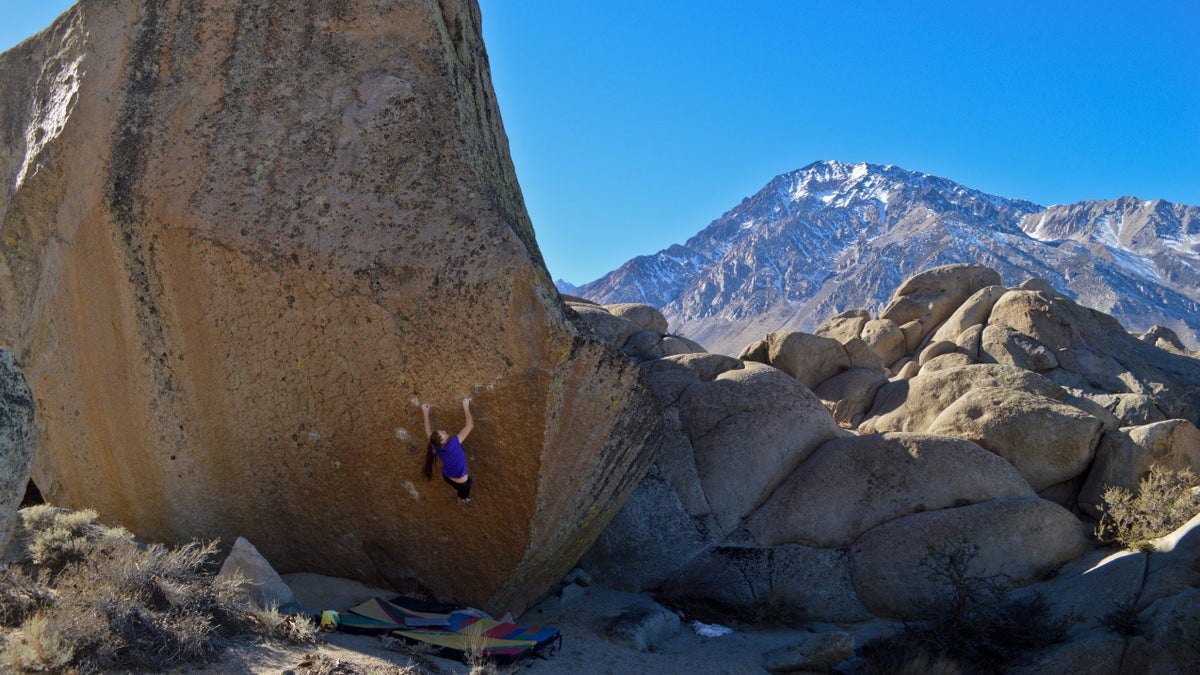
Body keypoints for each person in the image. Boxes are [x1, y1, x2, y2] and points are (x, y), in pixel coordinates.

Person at [421, 397, 475, 504]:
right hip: (462, 482)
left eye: (442, 431)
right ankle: (462, 500)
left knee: (462, 489)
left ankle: (462, 498)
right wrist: (466, 406)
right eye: (444, 434)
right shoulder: (454, 443)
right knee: (464, 494)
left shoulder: (435, 445)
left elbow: (429, 433)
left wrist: (425, 413)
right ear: (442, 441)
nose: (445, 431)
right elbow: (470, 426)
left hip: (447, 476)